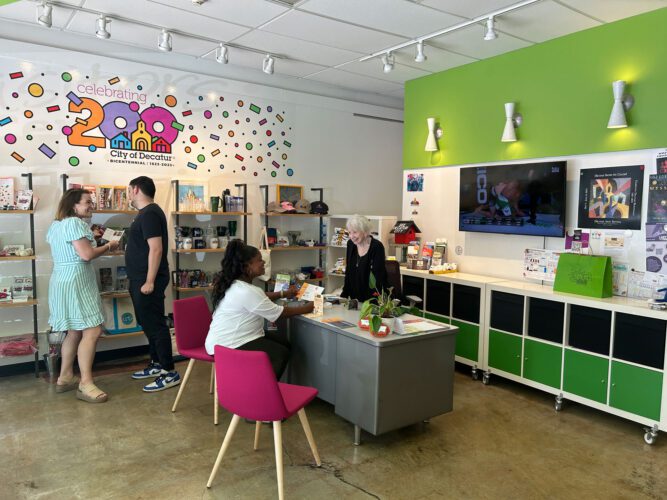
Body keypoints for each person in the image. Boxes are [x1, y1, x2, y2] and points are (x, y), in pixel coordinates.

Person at [46, 188, 119, 403]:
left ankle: (65, 376)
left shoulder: (56, 225)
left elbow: (73, 249)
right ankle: (85, 383)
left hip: (61, 280)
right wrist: (108, 245)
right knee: (93, 330)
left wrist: (92, 240)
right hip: (77, 280)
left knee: (74, 331)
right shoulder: (74, 223)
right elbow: (86, 255)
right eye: (87, 201)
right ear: (73, 205)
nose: (91, 205)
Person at [205, 239, 314, 379]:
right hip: (229, 344)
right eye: (259, 260)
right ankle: (262, 391)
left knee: (284, 343)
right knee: (280, 354)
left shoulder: (236, 284)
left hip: (222, 340)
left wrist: (283, 293)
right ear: (247, 266)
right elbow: (280, 313)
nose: (264, 263)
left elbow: (260, 297)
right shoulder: (247, 291)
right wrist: (310, 306)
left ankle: (270, 383)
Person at [126, 176, 180, 392]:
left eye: (129, 190)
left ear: (136, 189)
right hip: (140, 278)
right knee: (148, 323)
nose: (128, 194)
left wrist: (149, 280)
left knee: (156, 325)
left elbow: (156, 249)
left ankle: (169, 372)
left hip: (148, 280)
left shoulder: (149, 213)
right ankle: (157, 364)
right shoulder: (145, 214)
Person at [341, 214, 387, 302]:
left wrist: (371, 303)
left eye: (355, 232)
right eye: (349, 232)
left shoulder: (377, 247)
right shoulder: (351, 244)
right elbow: (349, 272)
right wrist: (344, 295)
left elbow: (378, 278)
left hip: (372, 299)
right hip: (355, 299)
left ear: (365, 232)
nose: (351, 236)